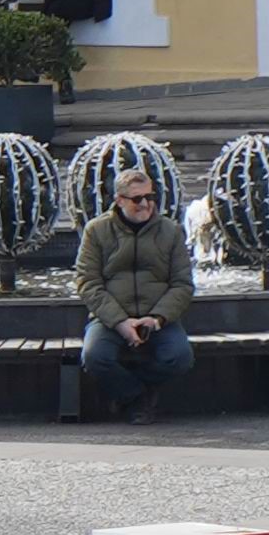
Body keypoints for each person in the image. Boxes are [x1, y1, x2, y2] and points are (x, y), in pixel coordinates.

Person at [71, 155, 197, 422]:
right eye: (137, 199)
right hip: (111, 319)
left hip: (158, 318)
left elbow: (182, 284)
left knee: (180, 357)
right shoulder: (97, 231)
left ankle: (132, 397)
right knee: (94, 357)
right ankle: (139, 397)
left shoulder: (170, 231)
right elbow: (87, 282)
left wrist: (157, 318)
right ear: (119, 201)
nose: (146, 204)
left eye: (150, 197)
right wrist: (119, 322)